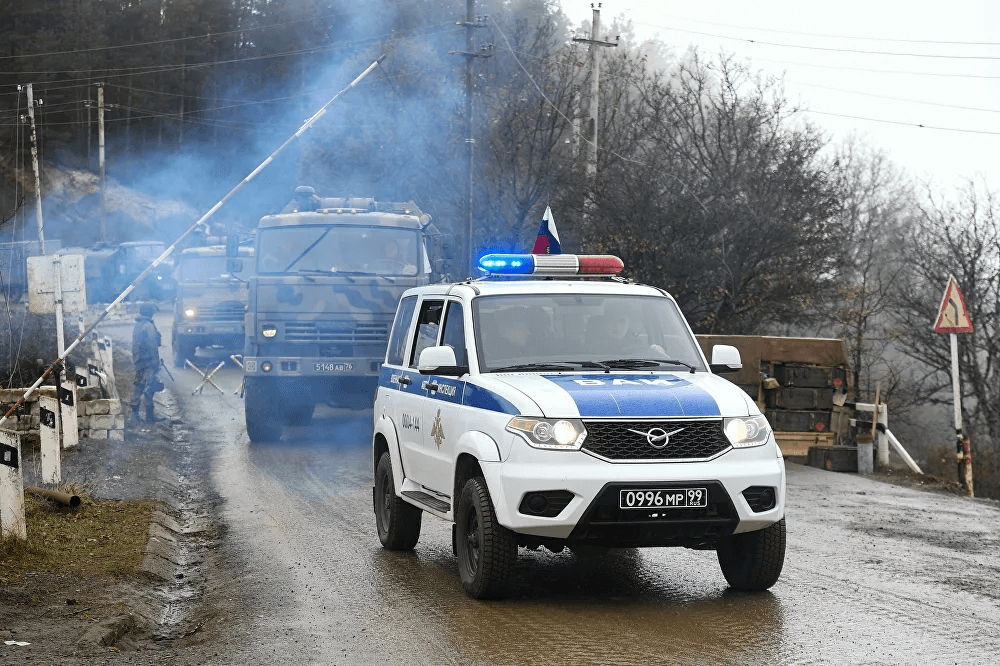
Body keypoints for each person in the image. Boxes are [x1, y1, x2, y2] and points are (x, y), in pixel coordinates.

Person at [591, 302, 666, 358]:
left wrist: (655, 351)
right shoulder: (589, 349)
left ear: (629, 323)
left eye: (622, 321)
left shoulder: (641, 346)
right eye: (612, 320)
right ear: (605, 323)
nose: (617, 327)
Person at [131, 302, 164, 422]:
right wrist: (155, 363)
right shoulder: (148, 326)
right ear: (150, 312)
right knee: (149, 388)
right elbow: (152, 346)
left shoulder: (138, 325)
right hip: (148, 362)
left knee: (138, 387)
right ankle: (150, 417)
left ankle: (134, 416)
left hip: (139, 361)